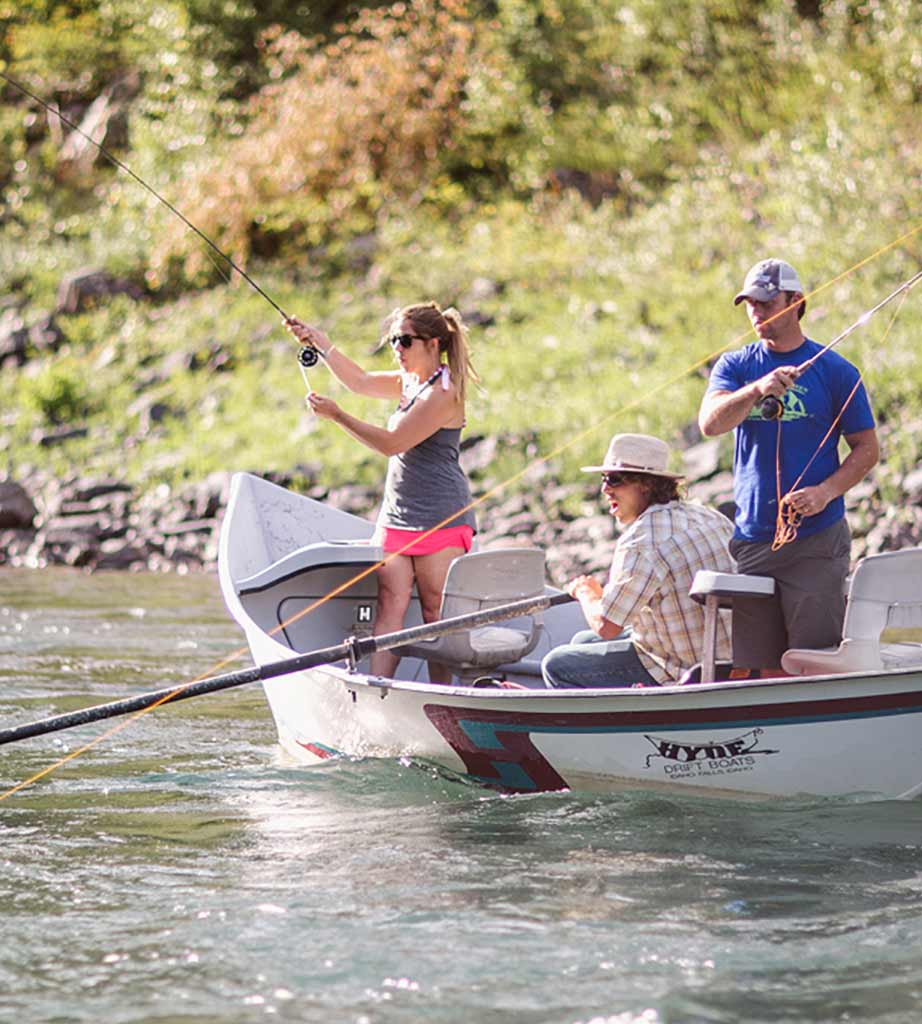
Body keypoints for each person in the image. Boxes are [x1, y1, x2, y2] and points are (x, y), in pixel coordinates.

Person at [698, 257, 879, 676]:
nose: (757, 313)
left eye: (766, 302)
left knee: (812, 662)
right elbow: (710, 423)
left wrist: (825, 493)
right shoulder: (736, 366)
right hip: (753, 542)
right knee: (758, 669)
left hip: (815, 542)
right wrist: (756, 390)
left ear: (796, 301)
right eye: (750, 304)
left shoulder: (836, 371)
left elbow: (867, 449)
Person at [285, 303, 479, 683]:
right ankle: (378, 690)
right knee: (388, 604)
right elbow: (358, 381)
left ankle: (443, 695)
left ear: (432, 343)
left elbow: (392, 443)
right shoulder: (409, 382)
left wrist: (338, 416)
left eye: (404, 341)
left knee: (434, 612)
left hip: (441, 517)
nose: (397, 348)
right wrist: (320, 342)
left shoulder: (442, 394)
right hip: (398, 515)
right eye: (393, 341)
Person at [541, 433, 734, 688]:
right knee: (582, 642)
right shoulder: (708, 516)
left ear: (645, 484)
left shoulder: (641, 541)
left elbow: (606, 626)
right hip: (730, 656)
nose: (604, 488)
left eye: (614, 479)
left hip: (686, 669)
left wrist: (586, 593)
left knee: (556, 665)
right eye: (603, 479)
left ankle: (613, 726)